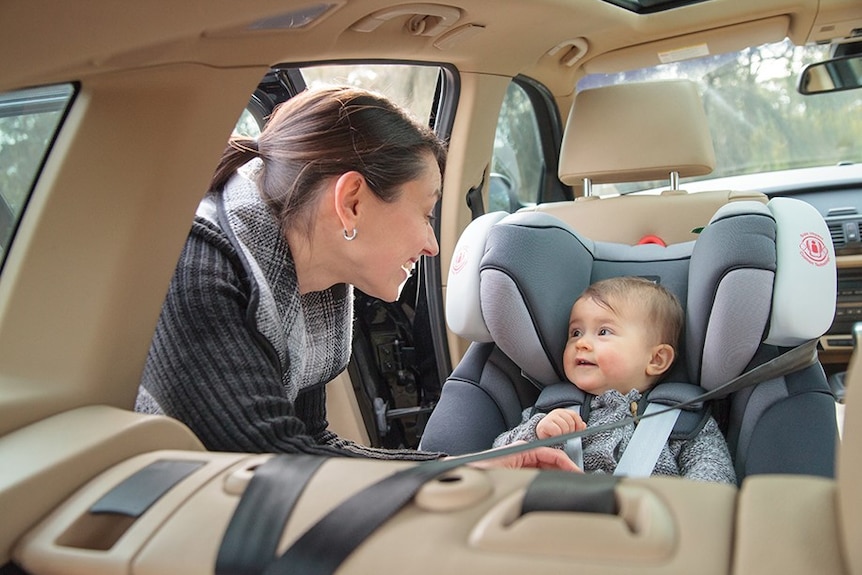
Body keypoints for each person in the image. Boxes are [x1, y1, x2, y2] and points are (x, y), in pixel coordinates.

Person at [135, 85, 576, 471]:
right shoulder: (200, 271)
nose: (432, 245)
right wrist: (460, 476)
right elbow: (271, 465)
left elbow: (313, 445)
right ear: (351, 202)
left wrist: (471, 467)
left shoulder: (317, 288)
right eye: (425, 214)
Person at [493, 276, 736, 483]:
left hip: (648, 524)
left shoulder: (682, 419)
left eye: (604, 332)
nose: (582, 343)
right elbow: (497, 455)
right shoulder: (551, 410)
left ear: (657, 359)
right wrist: (536, 430)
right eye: (575, 332)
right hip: (560, 519)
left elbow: (712, 472)